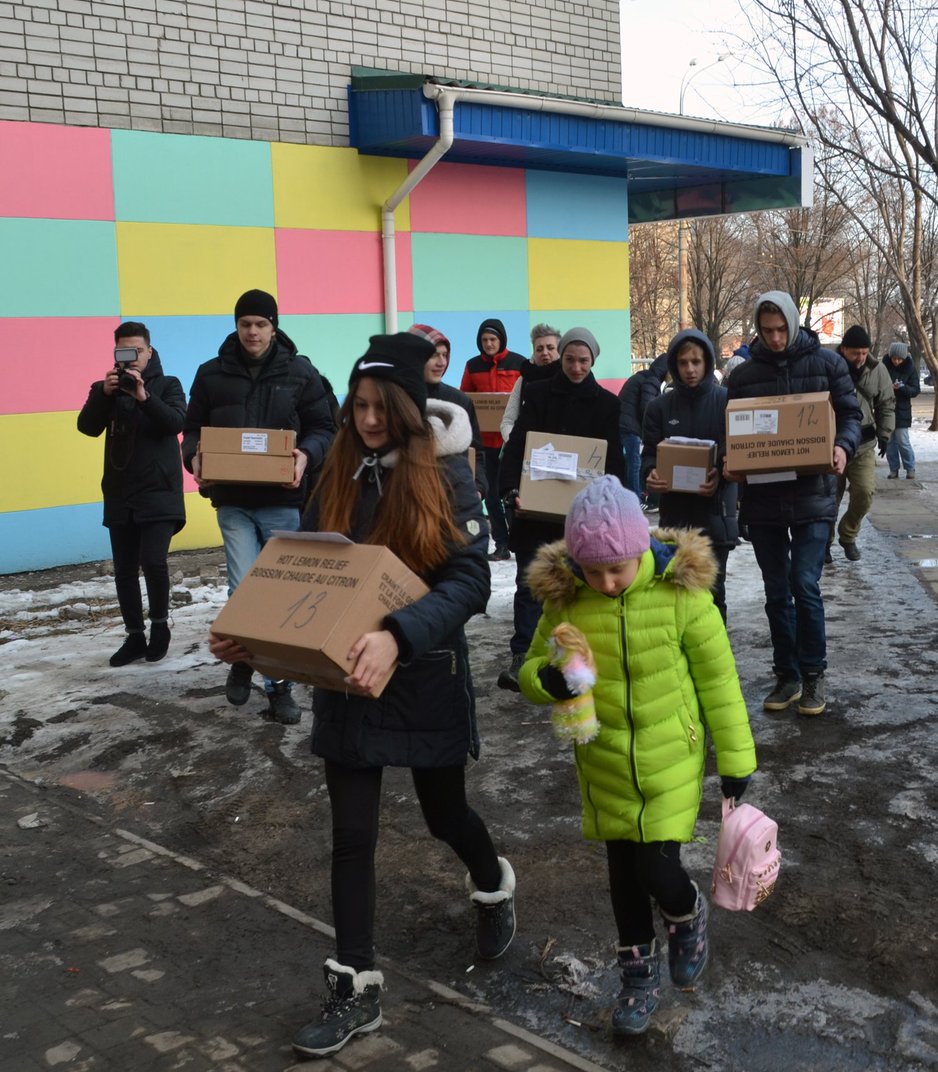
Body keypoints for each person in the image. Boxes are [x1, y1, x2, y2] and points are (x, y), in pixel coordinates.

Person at [210, 331, 516, 1058]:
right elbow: (304, 575)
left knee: (446, 816)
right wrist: (250, 644)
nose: (368, 418)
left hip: (422, 678)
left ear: (410, 408)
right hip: (344, 680)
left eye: (382, 405)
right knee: (351, 836)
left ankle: (492, 880)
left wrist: (398, 636)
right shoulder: (336, 472)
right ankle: (356, 987)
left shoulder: (448, 476)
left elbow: (470, 580)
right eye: (360, 404)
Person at [519, 476, 756, 1036]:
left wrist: (737, 760)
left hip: (671, 755)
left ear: (642, 550)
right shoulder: (567, 600)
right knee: (623, 879)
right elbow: (530, 668)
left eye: (616, 568)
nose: (604, 581)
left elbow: (720, 681)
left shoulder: (683, 598)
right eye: (592, 569)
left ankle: (686, 910)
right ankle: (637, 980)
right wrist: (549, 680)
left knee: (657, 867)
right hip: (603, 761)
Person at [183, 289, 336, 724]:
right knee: (243, 587)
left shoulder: (300, 372)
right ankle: (250, 665)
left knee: (276, 592)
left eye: (261, 324)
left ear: (274, 326)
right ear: (236, 325)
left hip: (282, 501)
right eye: (246, 323)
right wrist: (193, 456)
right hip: (232, 500)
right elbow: (192, 429)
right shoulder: (211, 374)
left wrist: (306, 455)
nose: (253, 331)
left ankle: (274, 683)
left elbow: (325, 427)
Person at [725, 291, 862, 717]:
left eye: (781, 329)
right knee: (776, 590)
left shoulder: (827, 363)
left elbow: (851, 414)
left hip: (813, 494)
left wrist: (842, 446)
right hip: (764, 499)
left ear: (791, 322)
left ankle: (813, 674)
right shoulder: (744, 375)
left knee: (804, 583)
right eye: (767, 331)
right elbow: (730, 430)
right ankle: (785, 674)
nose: (776, 337)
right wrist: (731, 463)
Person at [498, 327, 626, 690]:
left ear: (593, 361)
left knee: (578, 588)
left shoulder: (607, 405)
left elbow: (613, 461)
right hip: (533, 515)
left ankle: (575, 660)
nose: (575, 367)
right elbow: (519, 443)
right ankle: (523, 657)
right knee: (530, 587)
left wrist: (611, 505)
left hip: (582, 519)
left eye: (583, 361)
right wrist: (510, 490)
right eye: (570, 359)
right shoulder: (537, 394)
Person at [77, 322, 187, 666]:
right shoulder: (106, 390)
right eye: (123, 352)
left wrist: (143, 397)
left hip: (159, 492)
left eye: (137, 351)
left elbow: (175, 423)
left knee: (152, 560)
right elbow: (87, 427)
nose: (132, 358)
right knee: (124, 569)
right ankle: (134, 636)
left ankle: (159, 627)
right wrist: (103, 395)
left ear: (149, 352)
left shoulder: (168, 385)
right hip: (120, 493)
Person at [641, 329, 738, 621]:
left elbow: (735, 453)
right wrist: (650, 474)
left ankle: (716, 660)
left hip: (716, 515)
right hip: (675, 519)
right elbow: (648, 456)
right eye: (683, 363)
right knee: (677, 594)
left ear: (708, 362)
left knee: (712, 593)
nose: (690, 369)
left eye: (696, 361)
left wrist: (720, 477)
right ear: (674, 365)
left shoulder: (726, 402)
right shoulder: (659, 407)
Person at [460, 318, 526, 561]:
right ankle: (501, 543)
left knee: (513, 494)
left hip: (511, 442)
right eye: (485, 340)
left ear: (501, 340)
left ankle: (519, 539)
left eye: (493, 339)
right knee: (492, 497)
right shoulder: (472, 365)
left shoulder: (518, 363)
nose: (489, 344)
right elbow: (465, 399)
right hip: (484, 443)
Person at [828, 326, 895, 562]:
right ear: (844, 349)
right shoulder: (828, 366)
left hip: (864, 445)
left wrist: (885, 434)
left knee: (865, 493)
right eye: (856, 353)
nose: (861, 358)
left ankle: (848, 534)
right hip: (831, 446)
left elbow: (886, 403)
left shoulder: (878, 370)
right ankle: (824, 544)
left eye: (865, 353)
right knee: (828, 500)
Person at [408, 322, 487, 499]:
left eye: (445, 355)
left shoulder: (459, 401)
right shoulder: (399, 399)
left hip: (454, 499)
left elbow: (476, 451)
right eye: (434, 356)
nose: (442, 362)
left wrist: (478, 488)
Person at [618, 354, 669, 505]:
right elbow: (647, 409)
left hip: (623, 421)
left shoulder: (644, 376)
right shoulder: (652, 381)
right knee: (635, 462)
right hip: (630, 425)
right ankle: (636, 498)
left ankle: (630, 494)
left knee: (629, 461)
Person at [499, 322, 562, 441]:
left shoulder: (568, 380)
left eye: (550, 348)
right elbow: (507, 422)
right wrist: (518, 445)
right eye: (539, 349)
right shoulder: (524, 380)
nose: (544, 353)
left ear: (560, 351)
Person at [885, 341, 920, 480]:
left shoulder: (910, 368)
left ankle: (910, 468)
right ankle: (894, 470)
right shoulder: (884, 366)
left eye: (899, 359)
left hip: (902, 410)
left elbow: (916, 389)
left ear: (904, 358)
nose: (896, 361)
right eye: (894, 358)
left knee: (902, 441)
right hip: (886, 409)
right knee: (889, 442)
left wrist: (902, 388)